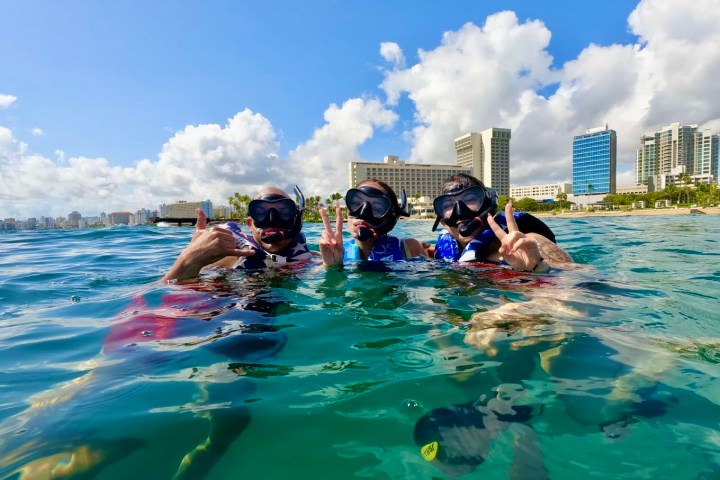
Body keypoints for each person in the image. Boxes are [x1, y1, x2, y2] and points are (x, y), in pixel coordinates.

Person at [163, 186, 314, 281]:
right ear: (250, 224)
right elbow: (165, 295)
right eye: (260, 212)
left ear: (295, 222)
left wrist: (332, 266)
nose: (272, 220)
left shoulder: (314, 259)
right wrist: (189, 258)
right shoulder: (228, 258)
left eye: (284, 211)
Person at [431, 174, 574, 272]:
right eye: (448, 205)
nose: (460, 212)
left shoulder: (530, 244)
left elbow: (578, 283)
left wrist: (538, 268)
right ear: (442, 221)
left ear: (489, 206)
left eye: (470, 199)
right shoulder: (441, 254)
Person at [318, 180, 427, 266]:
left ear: (389, 219)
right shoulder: (335, 252)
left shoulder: (408, 249)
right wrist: (331, 267)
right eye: (356, 203)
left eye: (377, 208)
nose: (362, 213)